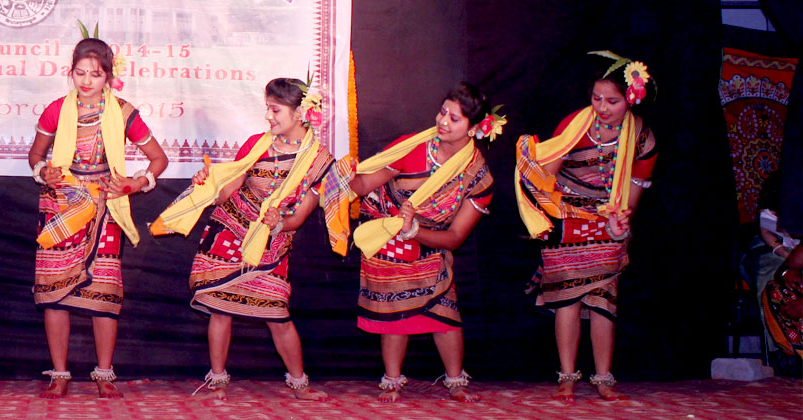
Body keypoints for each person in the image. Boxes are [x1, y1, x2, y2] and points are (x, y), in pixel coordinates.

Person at [161, 78, 338, 400]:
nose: (268, 116)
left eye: (275, 110)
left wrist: (279, 223)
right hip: (230, 229)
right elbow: (227, 191)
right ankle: (217, 381)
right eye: (267, 108)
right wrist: (208, 184)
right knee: (220, 308)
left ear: (300, 112)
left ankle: (300, 384)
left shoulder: (319, 161)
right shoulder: (257, 144)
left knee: (277, 314)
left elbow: (299, 217)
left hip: (272, 240)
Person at [27, 34, 168, 399]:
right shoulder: (56, 110)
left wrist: (134, 184)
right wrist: (44, 171)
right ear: (70, 72)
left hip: (105, 205)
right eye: (80, 73)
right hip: (60, 205)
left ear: (108, 76)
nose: (87, 81)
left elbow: (159, 159)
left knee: (104, 290)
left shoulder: (122, 112)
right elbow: (35, 155)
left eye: (95, 74)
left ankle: (104, 373)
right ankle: (59, 373)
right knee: (54, 292)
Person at [342, 83, 498, 402]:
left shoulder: (478, 175)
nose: (443, 121)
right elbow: (364, 185)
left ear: (475, 128)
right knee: (395, 312)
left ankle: (456, 381)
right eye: (442, 112)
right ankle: (392, 381)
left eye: (454, 118)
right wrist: (343, 175)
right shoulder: (411, 147)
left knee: (444, 312)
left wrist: (416, 231)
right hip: (389, 236)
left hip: (433, 241)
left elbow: (455, 238)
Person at [515, 52, 657, 401]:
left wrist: (622, 219)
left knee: (603, 300)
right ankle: (567, 377)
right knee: (567, 298)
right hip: (566, 219)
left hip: (608, 222)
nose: (602, 107)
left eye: (612, 101)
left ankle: (604, 378)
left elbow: (635, 188)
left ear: (632, 98)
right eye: (596, 98)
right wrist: (550, 214)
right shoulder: (574, 126)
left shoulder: (642, 137)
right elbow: (545, 179)